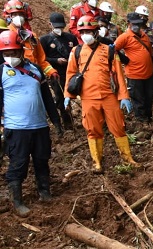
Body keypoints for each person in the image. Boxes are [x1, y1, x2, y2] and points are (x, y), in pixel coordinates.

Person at [63, 15, 136, 173]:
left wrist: (124, 96)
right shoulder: (76, 52)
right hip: (88, 98)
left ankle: (127, 158)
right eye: (82, 32)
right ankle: (97, 161)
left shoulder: (109, 50)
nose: (85, 35)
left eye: (88, 31)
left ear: (96, 32)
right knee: (92, 129)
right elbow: (70, 74)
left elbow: (119, 75)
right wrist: (68, 95)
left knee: (118, 127)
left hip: (109, 95)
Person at [1, 29, 54, 216]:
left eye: (13, 53)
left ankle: (44, 191)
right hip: (16, 128)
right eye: (6, 54)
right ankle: (17, 200)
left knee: (42, 159)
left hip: (39, 125)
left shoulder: (35, 70)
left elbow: (47, 97)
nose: (10, 57)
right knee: (18, 162)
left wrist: (55, 120)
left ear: (21, 51)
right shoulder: (1, 72)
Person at [114, 12, 153, 123]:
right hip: (135, 75)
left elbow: (150, 52)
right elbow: (113, 49)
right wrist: (124, 59)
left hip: (149, 74)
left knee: (148, 98)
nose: (136, 26)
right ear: (128, 23)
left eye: (138, 23)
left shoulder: (144, 35)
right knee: (139, 100)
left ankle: (149, 118)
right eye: (134, 24)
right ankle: (141, 121)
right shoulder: (125, 37)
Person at [40, 12, 78, 130]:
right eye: (56, 27)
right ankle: (68, 123)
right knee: (60, 98)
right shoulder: (45, 40)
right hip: (56, 74)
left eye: (60, 27)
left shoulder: (70, 38)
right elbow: (42, 58)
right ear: (50, 24)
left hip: (72, 72)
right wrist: (56, 60)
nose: (59, 29)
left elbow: (78, 52)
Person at [5, 0, 59, 82]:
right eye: (15, 14)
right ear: (9, 16)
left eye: (21, 14)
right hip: (14, 77)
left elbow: (41, 59)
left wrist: (51, 72)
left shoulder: (32, 36)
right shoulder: (5, 36)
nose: (18, 17)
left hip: (34, 76)